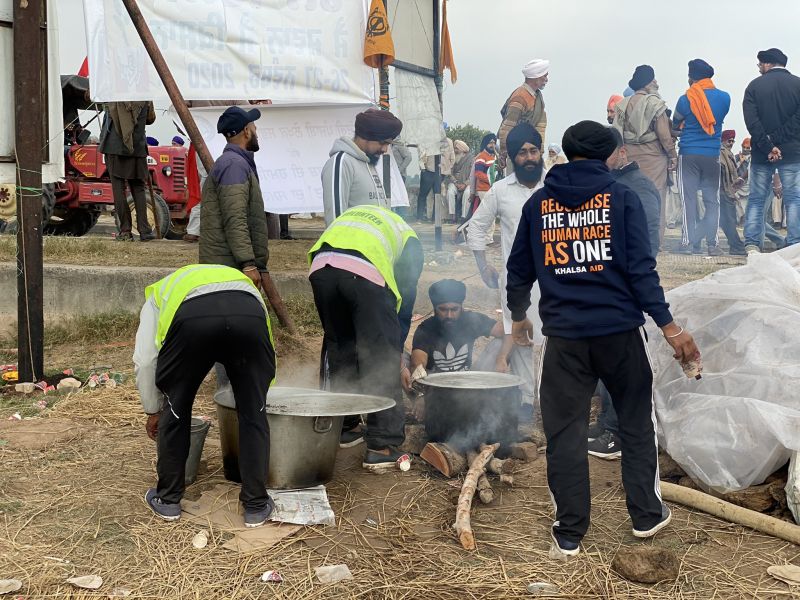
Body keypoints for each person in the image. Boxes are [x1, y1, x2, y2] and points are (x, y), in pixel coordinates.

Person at [506, 120, 700, 557]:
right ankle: (646, 516)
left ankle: (569, 531)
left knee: (564, 432)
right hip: (618, 335)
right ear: (609, 154)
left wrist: (519, 317)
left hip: (565, 340)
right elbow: (640, 270)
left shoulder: (539, 205)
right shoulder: (621, 198)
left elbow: (518, 271)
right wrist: (670, 326)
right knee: (634, 421)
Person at [134, 264, 276, 527]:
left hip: (192, 321)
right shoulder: (239, 282)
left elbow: (145, 361)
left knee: (177, 407)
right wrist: (257, 397)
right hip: (249, 315)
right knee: (253, 414)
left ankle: (168, 501)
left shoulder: (158, 295)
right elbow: (268, 353)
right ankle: (256, 506)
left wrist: (154, 410)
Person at [308, 205, 424, 470]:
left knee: (340, 347)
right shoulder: (411, 241)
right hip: (363, 272)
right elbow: (403, 306)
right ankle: (382, 445)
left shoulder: (365, 218)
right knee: (380, 357)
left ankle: (344, 426)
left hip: (320, 270)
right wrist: (396, 358)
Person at [467, 123, 547, 418]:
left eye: (533, 150)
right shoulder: (501, 191)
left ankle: (552, 397)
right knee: (521, 339)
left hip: (554, 278)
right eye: (522, 153)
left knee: (554, 338)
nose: (529, 157)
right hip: (517, 283)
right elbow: (476, 228)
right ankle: (526, 401)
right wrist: (482, 266)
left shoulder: (554, 186)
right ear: (512, 158)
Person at [199, 106, 269, 287]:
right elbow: (235, 217)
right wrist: (247, 263)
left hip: (228, 266)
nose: (256, 130)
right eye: (253, 126)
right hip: (228, 269)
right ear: (246, 131)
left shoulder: (235, 162)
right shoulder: (233, 165)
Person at [743, 48, 800, 252]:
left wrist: (769, 144)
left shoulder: (754, 86)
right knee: (793, 199)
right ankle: (795, 244)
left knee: (757, 198)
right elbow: (798, 120)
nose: (759, 68)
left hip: (761, 153)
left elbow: (751, 121)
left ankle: (751, 243)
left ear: (767, 63)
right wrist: (777, 141)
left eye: (759, 64)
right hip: (792, 152)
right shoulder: (798, 85)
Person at [612, 65, 677, 242]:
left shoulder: (621, 105)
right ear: (647, 83)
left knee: (630, 198)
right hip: (654, 158)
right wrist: (672, 155)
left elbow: (617, 133)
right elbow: (664, 135)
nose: (656, 82)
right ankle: (654, 241)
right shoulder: (656, 104)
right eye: (653, 79)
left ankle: (629, 238)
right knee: (655, 199)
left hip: (628, 158)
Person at [673, 59, 731, 255]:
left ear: (691, 78)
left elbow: (676, 123)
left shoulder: (685, 99)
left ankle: (687, 243)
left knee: (688, 199)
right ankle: (713, 245)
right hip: (712, 154)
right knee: (712, 200)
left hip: (688, 154)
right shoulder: (725, 98)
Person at [321, 108, 403, 225]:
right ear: (365, 136)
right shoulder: (342, 163)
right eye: (382, 143)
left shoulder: (368, 163)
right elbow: (335, 222)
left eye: (388, 144)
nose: (385, 149)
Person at [410, 279, 505, 375]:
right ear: (435, 309)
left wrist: (502, 358)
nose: (449, 315)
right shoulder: (426, 328)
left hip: (467, 381)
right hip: (433, 384)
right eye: (443, 309)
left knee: (501, 343)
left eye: (454, 309)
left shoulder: (472, 319)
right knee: (401, 359)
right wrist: (419, 371)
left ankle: (487, 388)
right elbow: (418, 362)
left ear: (461, 307)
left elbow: (507, 331)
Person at [99, 101, 156, 242]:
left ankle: (125, 231)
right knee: (138, 188)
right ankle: (145, 230)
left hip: (114, 147)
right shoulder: (144, 95)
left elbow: (90, 96)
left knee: (118, 189)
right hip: (138, 146)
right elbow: (150, 119)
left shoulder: (112, 93)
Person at [606, 129, 661, 255]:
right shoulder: (607, 180)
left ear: (622, 152)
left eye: (605, 155)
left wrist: (641, 268)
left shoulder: (639, 186)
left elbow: (648, 229)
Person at [497, 59, 549, 168]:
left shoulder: (538, 97)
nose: (546, 79)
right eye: (544, 76)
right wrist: (503, 153)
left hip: (533, 150)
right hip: (517, 151)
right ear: (536, 77)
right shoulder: (520, 97)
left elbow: (540, 127)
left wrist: (540, 151)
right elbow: (508, 127)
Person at [719, 130, 747, 255]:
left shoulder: (728, 153)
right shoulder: (720, 153)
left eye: (732, 141)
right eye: (728, 141)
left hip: (728, 191)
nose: (730, 143)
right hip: (723, 191)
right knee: (728, 220)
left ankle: (694, 241)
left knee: (722, 220)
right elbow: (723, 173)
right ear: (723, 140)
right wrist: (727, 191)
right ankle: (736, 246)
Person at [452, 140, 473, 221]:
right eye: (454, 148)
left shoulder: (471, 158)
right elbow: (449, 173)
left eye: (456, 148)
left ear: (462, 148)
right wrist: (455, 182)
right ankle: (452, 215)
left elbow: (472, 174)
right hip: (455, 183)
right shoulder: (453, 157)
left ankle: (464, 216)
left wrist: (465, 184)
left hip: (467, 183)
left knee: (467, 193)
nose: (455, 150)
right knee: (450, 191)